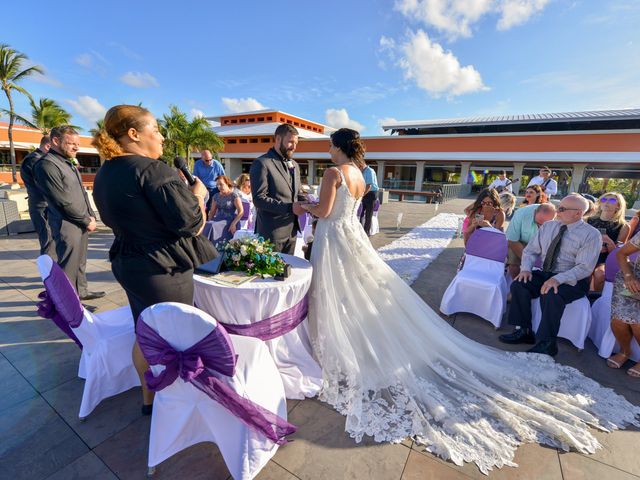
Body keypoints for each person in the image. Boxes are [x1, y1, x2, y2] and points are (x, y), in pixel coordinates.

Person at [300, 128, 638, 474]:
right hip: (350, 237)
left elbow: (325, 211)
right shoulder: (359, 174)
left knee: (333, 287)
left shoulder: (333, 172)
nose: (327, 150)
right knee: (353, 289)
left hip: (334, 237)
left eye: (329, 145)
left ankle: (336, 341)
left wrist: (303, 205)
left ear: (336, 146)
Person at [92, 105, 216, 415]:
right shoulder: (153, 170)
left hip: (129, 263)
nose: (161, 137)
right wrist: (198, 196)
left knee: (144, 332)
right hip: (162, 270)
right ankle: (178, 407)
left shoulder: (106, 171)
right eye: (156, 130)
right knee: (177, 339)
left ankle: (149, 400)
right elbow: (191, 225)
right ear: (134, 134)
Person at [500, 194, 602, 356]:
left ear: (578, 213)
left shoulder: (591, 234)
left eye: (562, 209)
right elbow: (531, 251)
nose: (557, 211)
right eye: (558, 207)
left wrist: (558, 279)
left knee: (552, 294)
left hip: (574, 280)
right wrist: (526, 268)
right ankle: (524, 331)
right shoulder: (549, 227)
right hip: (547, 273)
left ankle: (548, 343)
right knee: (519, 284)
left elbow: (584, 268)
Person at [34, 126, 104, 301]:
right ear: (55, 141)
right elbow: (61, 201)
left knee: (80, 262)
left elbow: (81, 192)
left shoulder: (68, 162)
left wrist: (91, 214)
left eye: (77, 144)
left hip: (81, 220)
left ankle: (81, 292)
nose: (76, 147)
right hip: (66, 223)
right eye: (71, 143)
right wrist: (85, 220)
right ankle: (67, 304)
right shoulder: (47, 165)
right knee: (69, 265)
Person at [250, 123, 304, 254]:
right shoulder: (262, 163)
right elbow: (259, 199)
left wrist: (308, 201)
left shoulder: (295, 165)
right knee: (269, 274)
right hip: (271, 233)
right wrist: (290, 207)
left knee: (287, 273)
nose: (294, 147)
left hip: (291, 231)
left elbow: (298, 192)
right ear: (278, 139)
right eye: (290, 142)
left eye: (296, 143)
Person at [607, 232, 640, 377]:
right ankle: (625, 350)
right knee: (618, 320)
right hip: (633, 279)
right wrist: (629, 276)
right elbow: (621, 253)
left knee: (638, 323)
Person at [20, 135, 55, 258]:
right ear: (48, 146)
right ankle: (51, 275)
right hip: (42, 206)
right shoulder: (35, 160)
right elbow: (45, 184)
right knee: (48, 242)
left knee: (52, 241)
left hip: (45, 205)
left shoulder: (38, 159)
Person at [586, 192, 628, 291]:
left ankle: (596, 299)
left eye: (612, 200)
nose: (607, 203)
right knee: (583, 273)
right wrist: (594, 247)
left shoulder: (623, 226)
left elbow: (618, 253)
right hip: (586, 255)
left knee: (600, 274)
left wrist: (609, 242)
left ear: (618, 206)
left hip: (605, 258)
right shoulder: (587, 220)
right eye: (604, 200)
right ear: (600, 203)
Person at [506, 203, 557, 278]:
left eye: (544, 225)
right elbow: (512, 240)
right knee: (514, 263)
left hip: (543, 244)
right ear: (535, 212)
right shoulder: (520, 213)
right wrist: (527, 261)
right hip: (520, 242)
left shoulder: (559, 219)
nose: (540, 227)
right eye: (538, 223)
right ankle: (516, 283)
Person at [208, 174, 244, 243]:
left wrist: (233, 224)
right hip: (218, 219)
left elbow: (241, 211)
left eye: (221, 184)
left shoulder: (234, 195)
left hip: (230, 220)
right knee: (208, 225)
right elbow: (212, 212)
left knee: (212, 225)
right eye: (217, 185)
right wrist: (209, 221)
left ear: (227, 183)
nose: (219, 187)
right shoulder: (216, 196)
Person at [359, 161, 378, 236]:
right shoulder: (362, 171)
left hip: (371, 193)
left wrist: (361, 196)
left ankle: (366, 232)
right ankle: (359, 230)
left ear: (361, 165)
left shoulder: (370, 171)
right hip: (364, 193)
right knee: (360, 213)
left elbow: (369, 186)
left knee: (368, 214)